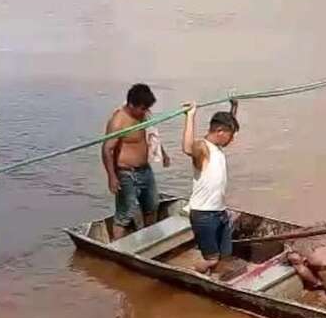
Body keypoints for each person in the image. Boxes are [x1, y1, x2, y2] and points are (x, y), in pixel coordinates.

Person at [102, 83, 170, 240]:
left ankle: (149, 240)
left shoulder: (144, 115)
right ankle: (117, 246)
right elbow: (107, 149)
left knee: (152, 206)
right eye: (142, 108)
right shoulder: (119, 121)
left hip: (145, 170)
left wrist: (164, 153)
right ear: (131, 105)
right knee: (125, 214)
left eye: (147, 108)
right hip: (126, 173)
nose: (145, 112)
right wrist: (112, 177)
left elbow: (152, 135)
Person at [182, 101, 240, 273]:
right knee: (212, 260)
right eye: (231, 135)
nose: (232, 140)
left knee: (225, 255)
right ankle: (190, 272)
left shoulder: (217, 148)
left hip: (220, 212)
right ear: (220, 131)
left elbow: (228, 124)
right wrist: (190, 115)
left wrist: (234, 108)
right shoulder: (203, 148)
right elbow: (187, 147)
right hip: (204, 214)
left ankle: (212, 277)